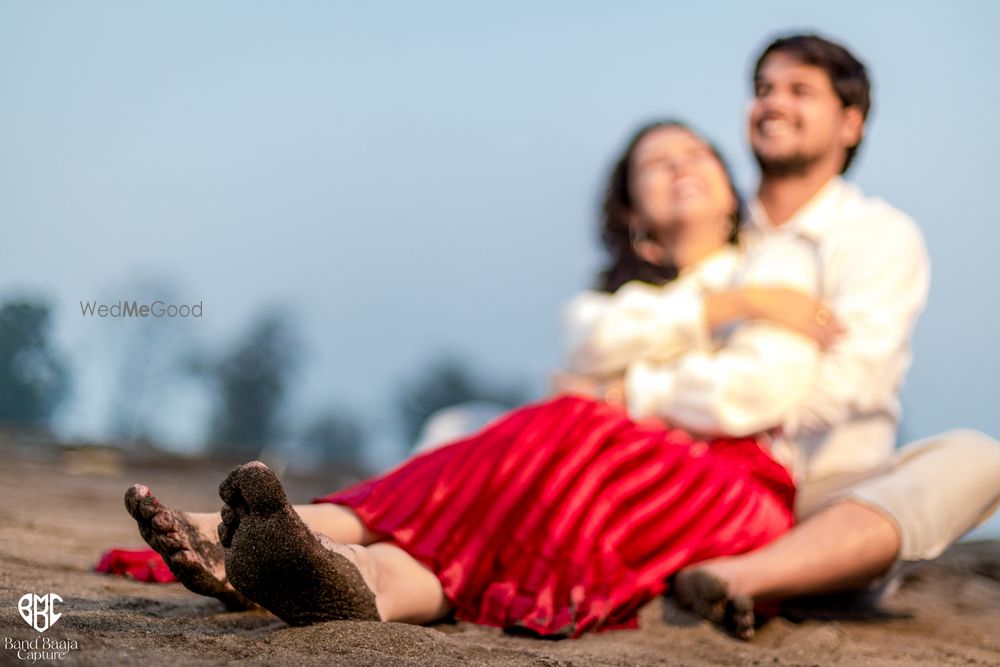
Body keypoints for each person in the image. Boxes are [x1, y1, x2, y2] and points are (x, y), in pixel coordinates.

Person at [124, 122, 831, 639]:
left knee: (565, 424)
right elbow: (591, 336)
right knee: (521, 500)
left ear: (732, 192)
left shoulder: (779, 268)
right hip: (600, 466)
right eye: (656, 162)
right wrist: (725, 309)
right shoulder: (625, 303)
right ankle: (359, 579)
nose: (681, 165)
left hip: (729, 485)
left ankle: (260, 532)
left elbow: (761, 388)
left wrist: (625, 394)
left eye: (697, 152)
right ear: (636, 222)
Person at [563, 34, 1000, 637]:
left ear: (851, 123)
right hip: (693, 469)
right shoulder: (714, 219)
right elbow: (632, 328)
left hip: (829, 488)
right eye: (763, 89)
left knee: (979, 459)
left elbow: (838, 389)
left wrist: (636, 394)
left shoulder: (877, 236)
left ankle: (744, 577)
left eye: (800, 91)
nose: (773, 104)